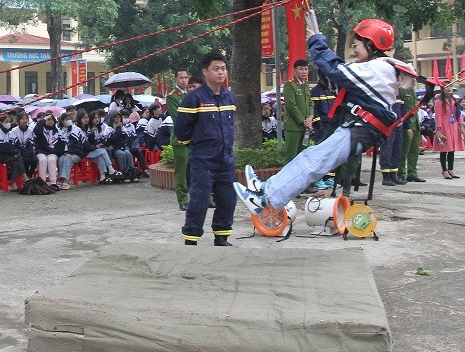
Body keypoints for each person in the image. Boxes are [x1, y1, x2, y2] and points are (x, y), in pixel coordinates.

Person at [236, 18, 418, 214]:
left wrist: (316, 41)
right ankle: (266, 188)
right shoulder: (381, 68)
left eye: (356, 44)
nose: (354, 49)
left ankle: (267, 198)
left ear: (371, 44)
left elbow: (335, 70)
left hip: (361, 129)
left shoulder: (378, 69)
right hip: (358, 127)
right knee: (310, 156)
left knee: (314, 162)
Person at [175, 50, 237, 246]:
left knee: (227, 200)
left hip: (226, 160)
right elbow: (182, 129)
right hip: (203, 160)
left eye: (223, 69)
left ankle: (221, 237)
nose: (221, 73)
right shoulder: (194, 98)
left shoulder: (229, 97)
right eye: (216, 69)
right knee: (199, 202)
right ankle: (191, 239)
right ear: (205, 72)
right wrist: (196, 148)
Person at [166, 69, 190, 210]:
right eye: (181, 78)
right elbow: (178, 118)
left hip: (196, 139)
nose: (184, 80)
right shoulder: (172, 97)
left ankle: (207, 198)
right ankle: (182, 199)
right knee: (181, 171)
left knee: (201, 169)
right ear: (176, 79)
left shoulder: (193, 95)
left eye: (186, 78)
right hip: (181, 139)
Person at [282, 59, 313, 165]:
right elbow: (291, 106)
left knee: (303, 155)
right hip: (293, 127)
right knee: (291, 156)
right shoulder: (289, 85)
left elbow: (310, 103)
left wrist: (310, 118)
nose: (304, 72)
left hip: (306, 128)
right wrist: (303, 121)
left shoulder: (306, 85)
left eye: (306, 69)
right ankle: (287, 180)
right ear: (295, 71)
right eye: (301, 69)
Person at [434, 84, 465, 179]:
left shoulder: (455, 100)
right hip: (444, 126)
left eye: (451, 86)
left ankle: (451, 168)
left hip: (454, 125)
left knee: (452, 148)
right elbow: (438, 116)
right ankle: (444, 170)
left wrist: (461, 125)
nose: (449, 88)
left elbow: (458, 114)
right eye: (446, 87)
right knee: (444, 149)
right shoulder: (439, 101)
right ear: (443, 89)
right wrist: (438, 129)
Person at [399, 85, 425, 182]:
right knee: (404, 150)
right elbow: (403, 109)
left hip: (416, 123)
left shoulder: (413, 90)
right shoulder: (401, 90)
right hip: (407, 124)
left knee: (414, 150)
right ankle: (401, 173)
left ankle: (412, 173)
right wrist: (407, 126)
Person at [34, 111, 63, 188]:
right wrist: (43, 120)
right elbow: (36, 131)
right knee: (43, 160)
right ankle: (42, 182)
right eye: (48, 120)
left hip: (53, 152)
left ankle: (53, 182)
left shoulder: (58, 131)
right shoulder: (41, 130)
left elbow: (62, 144)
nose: (50, 122)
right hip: (41, 151)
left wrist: (55, 151)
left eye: (52, 120)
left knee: (51, 160)